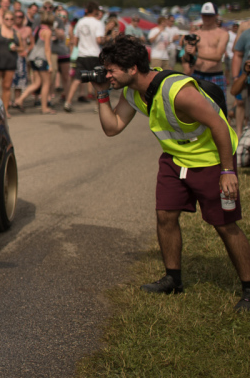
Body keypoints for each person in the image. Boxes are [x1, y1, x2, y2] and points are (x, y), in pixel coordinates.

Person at [95, 35, 249, 311]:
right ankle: (173, 279)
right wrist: (101, 92)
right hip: (176, 160)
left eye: (111, 70)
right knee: (165, 215)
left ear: (132, 68)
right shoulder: (133, 92)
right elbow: (112, 127)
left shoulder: (177, 90)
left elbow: (220, 126)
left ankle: (249, 289)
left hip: (212, 160)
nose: (107, 75)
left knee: (224, 225)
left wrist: (228, 170)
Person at [63, 1, 107, 113]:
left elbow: (76, 40)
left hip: (82, 54)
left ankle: (68, 102)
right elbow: (99, 40)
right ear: (96, 11)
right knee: (97, 81)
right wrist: (105, 39)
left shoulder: (80, 22)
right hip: (94, 54)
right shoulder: (98, 23)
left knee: (77, 79)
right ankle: (98, 105)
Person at [191, 3, 232, 99]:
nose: (206, 18)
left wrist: (196, 53)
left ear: (216, 16)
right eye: (204, 15)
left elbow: (218, 56)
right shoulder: (195, 34)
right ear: (201, 15)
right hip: (198, 73)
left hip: (215, 75)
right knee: (196, 108)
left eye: (210, 15)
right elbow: (187, 57)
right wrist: (187, 53)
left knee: (218, 109)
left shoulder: (223, 34)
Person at [0, 10, 20, 111]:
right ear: (3, 19)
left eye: (11, 19)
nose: (9, 21)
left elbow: (23, 48)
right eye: (7, 19)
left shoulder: (16, 33)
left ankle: (5, 111)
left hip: (10, 63)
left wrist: (17, 48)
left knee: (7, 87)